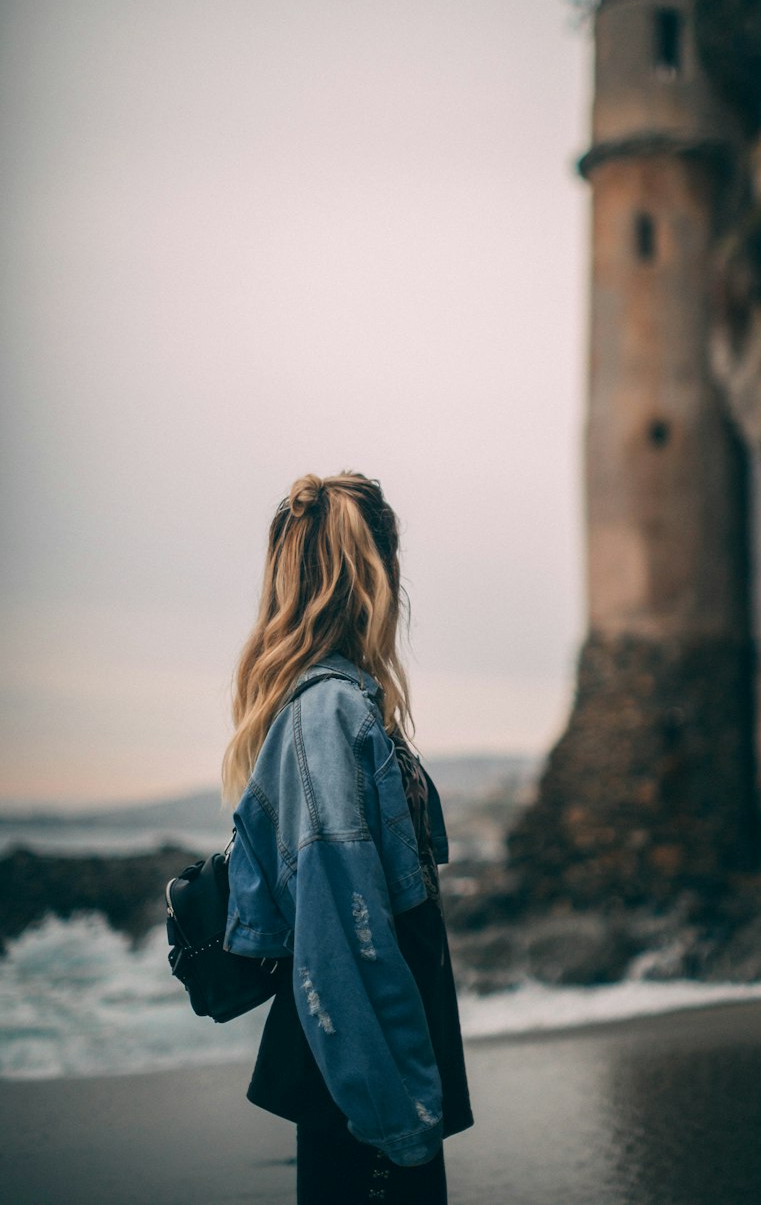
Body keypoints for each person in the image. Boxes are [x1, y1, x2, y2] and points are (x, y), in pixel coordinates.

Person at [222, 472, 473, 1204]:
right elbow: (340, 939)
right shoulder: (330, 717)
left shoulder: (342, 710)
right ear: (376, 577)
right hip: (370, 1104)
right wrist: (398, 1121)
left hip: (376, 1081)